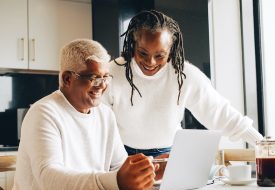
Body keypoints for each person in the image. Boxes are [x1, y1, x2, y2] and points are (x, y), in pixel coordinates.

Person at [7, 39, 157, 190]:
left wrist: (148, 171)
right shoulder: (44, 113)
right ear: (67, 78)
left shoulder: (105, 114)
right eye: (93, 77)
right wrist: (116, 181)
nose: (102, 85)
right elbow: (49, 178)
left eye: (105, 77)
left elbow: (119, 166)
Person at [102, 10, 264, 157]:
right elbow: (99, 124)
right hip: (122, 153)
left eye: (159, 55)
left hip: (169, 153)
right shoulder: (111, 73)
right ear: (132, 45)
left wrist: (262, 143)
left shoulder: (184, 75)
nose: (150, 62)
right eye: (143, 53)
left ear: (171, 50)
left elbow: (220, 113)